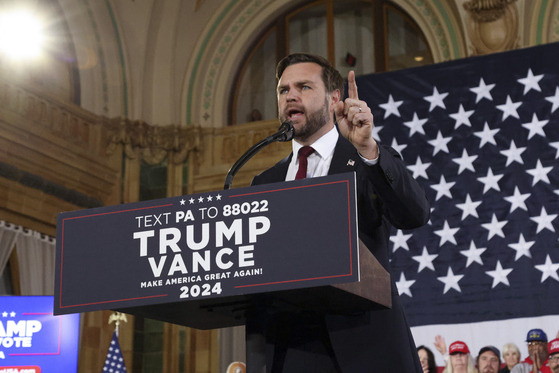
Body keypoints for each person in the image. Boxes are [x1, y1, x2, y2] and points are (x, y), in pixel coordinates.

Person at [251, 53, 430, 372]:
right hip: (294, 351)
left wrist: (368, 149)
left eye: (304, 87)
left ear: (335, 99)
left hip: (368, 348)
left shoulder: (366, 158)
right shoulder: (265, 182)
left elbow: (413, 215)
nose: (290, 95)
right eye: (283, 90)